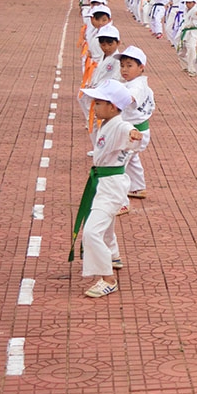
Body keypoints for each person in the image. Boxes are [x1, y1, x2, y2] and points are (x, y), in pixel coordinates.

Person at [70, 80, 144, 297]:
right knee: (107, 224)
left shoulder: (120, 125)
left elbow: (129, 130)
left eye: (99, 103)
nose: (95, 106)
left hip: (111, 184)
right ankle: (113, 255)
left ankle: (108, 278)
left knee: (92, 232)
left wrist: (134, 134)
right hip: (103, 182)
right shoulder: (107, 123)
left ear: (113, 106)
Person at [115, 46, 155, 209]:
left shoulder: (136, 87)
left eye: (129, 65)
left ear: (141, 67)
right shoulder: (137, 83)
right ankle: (138, 187)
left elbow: (130, 98)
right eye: (122, 65)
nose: (124, 69)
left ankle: (120, 203)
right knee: (132, 159)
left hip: (134, 132)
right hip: (138, 130)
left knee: (118, 165)